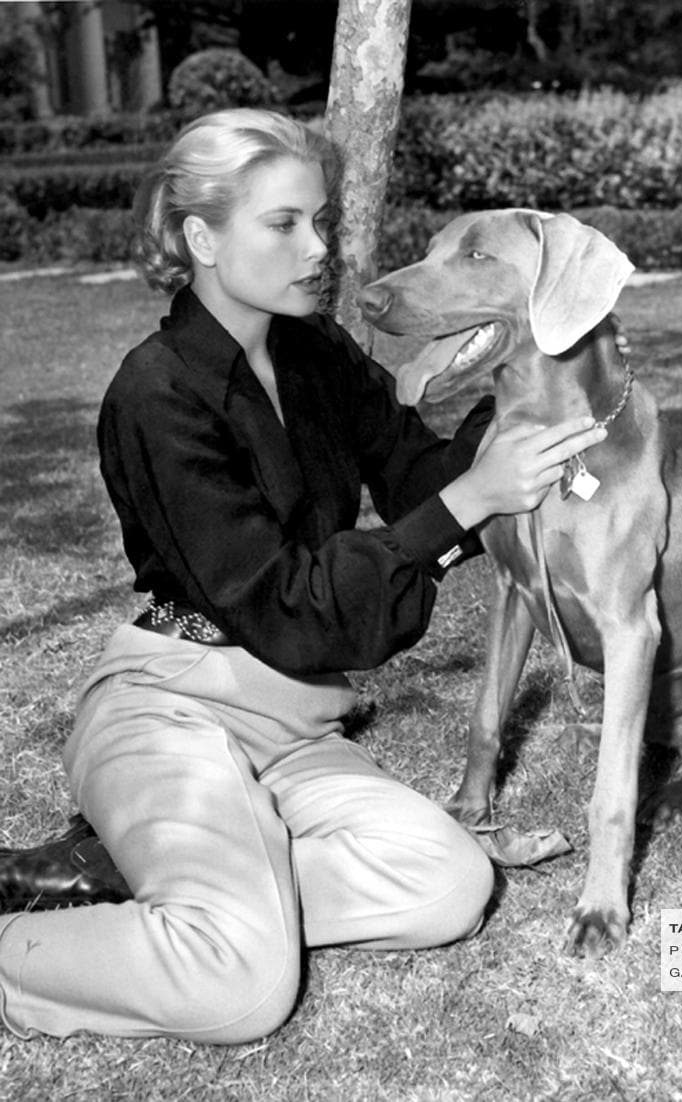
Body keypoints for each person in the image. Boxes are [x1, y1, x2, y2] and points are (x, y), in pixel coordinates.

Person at [0, 109, 607, 1043]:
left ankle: (164, 876)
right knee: (238, 990)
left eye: (320, 220)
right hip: (171, 704)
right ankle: (151, 920)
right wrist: (469, 503)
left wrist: (527, 380)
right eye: (284, 224)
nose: (317, 247)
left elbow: (416, 473)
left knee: (447, 884)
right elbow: (282, 605)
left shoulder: (315, 352)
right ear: (201, 237)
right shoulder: (155, 393)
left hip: (291, 727)